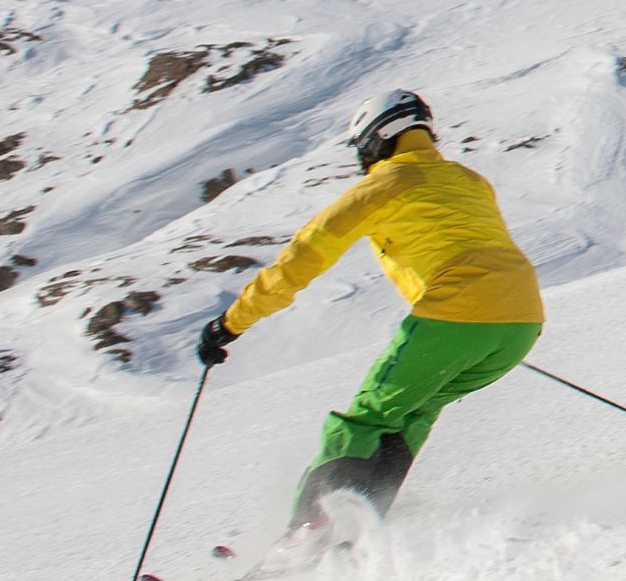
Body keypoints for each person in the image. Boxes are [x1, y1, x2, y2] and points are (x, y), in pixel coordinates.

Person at [196, 89, 545, 542]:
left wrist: (229, 324)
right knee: (415, 411)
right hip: (520, 322)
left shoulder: (383, 186)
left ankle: (310, 531)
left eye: (361, 148)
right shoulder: (469, 179)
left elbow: (301, 259)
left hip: (459, 317)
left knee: (365, 419)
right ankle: (364, 520)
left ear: (377, 138)